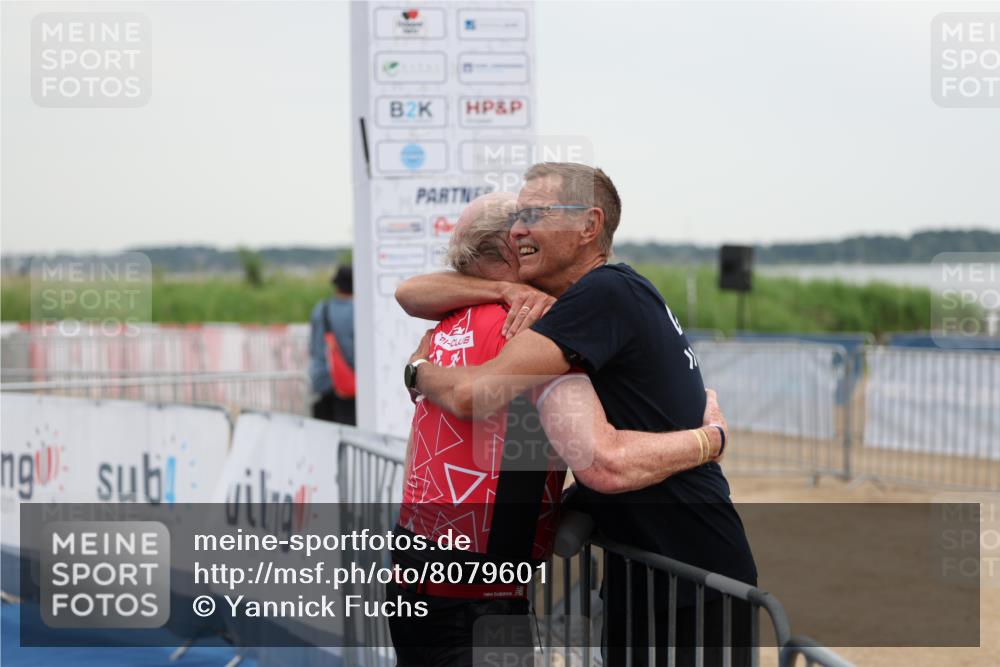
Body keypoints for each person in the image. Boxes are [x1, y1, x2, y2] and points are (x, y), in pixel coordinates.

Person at [399, 163, 757, 666]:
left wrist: (711, 439)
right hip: (644, 573)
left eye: (534, 214)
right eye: (516, 217)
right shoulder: (599, 296)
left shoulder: (604, 293)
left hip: (694, 577)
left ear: (589, 225)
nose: (518, 229)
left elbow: (596, 459)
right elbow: (411, 293)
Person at [308, 264, 356, 425]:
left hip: (322, 381)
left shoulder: (321, 308)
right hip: (348, 386)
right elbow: (352, 352)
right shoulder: (357, 310)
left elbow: (314, 347)